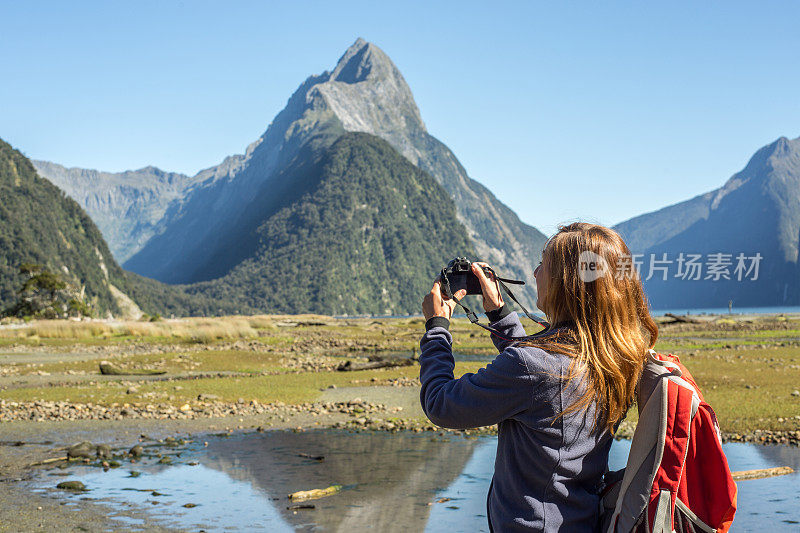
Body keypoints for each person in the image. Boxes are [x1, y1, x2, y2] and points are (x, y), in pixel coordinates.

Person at [419, 222, 658, 532]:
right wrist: (500, 315)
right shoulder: (616, 357)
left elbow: (441, 404)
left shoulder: (536, 368)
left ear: (566, 282)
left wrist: (436, 329)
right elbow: (544, 376)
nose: (534, 273)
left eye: (543, 264)